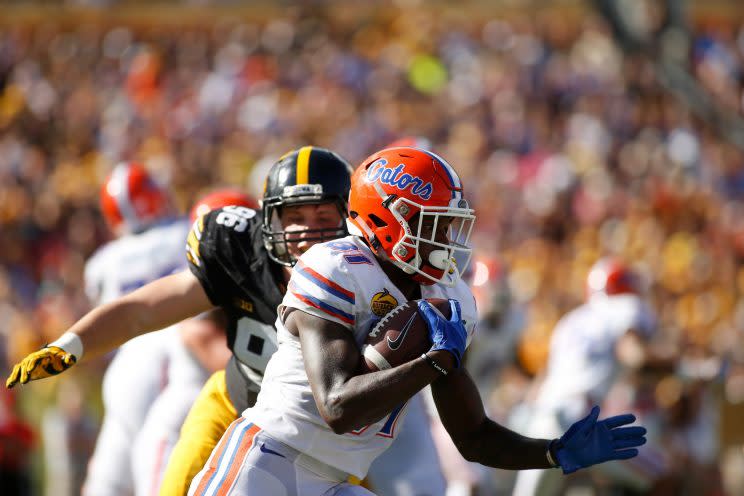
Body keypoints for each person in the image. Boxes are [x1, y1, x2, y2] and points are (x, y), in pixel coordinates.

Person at [187, 146, 648, 496]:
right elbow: (338, 408)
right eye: (436, 224)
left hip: (337, 479)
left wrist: (553, 451)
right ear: (390, 219)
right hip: (265, 463)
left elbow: (473, 436)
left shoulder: (448, 296)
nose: (446, 238)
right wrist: (433, 362)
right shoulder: (334, 265)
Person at [8, 147, 450, 496]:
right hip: (236, 404)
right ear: (269, 220)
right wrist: (74, 343)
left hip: (325, 440)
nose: (307, 233)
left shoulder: (376, 278)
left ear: (351, 222)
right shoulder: (242, 253)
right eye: (294, 218)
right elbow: (146, 308)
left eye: (323, 218)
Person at [81, 161, 193, 496]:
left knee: (106, 483)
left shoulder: (103, 263)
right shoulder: (186, 232)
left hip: (125, 373)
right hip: (178, 367)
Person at [510, 258, 662, 496]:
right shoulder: (626, 307)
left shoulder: (572, 320)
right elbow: (635, 355)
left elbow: (543, 381)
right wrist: (681, 365)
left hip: (545, 415)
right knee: (662, 475)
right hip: (581, 419)